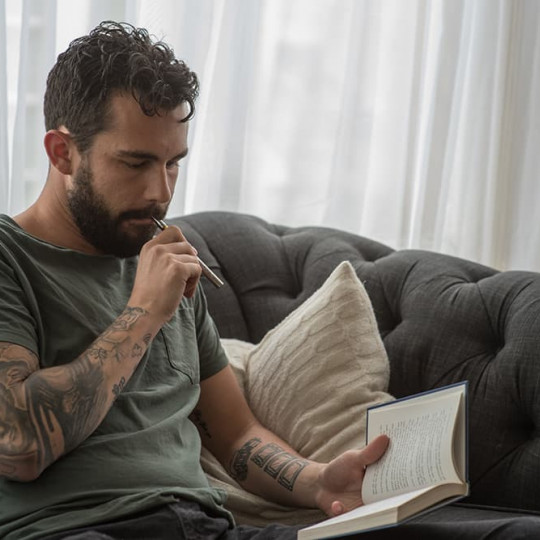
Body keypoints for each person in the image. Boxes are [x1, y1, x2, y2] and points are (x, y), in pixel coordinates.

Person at [0, 21, 389, 540]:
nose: (160, 191)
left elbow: (237, 435)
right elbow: (19, 444)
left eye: (173, 164)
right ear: (62, 152)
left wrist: (319, 482)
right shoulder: (11, 258)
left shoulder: (166, 264)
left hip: (206, 528)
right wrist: (144, 314)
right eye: (136, 163)